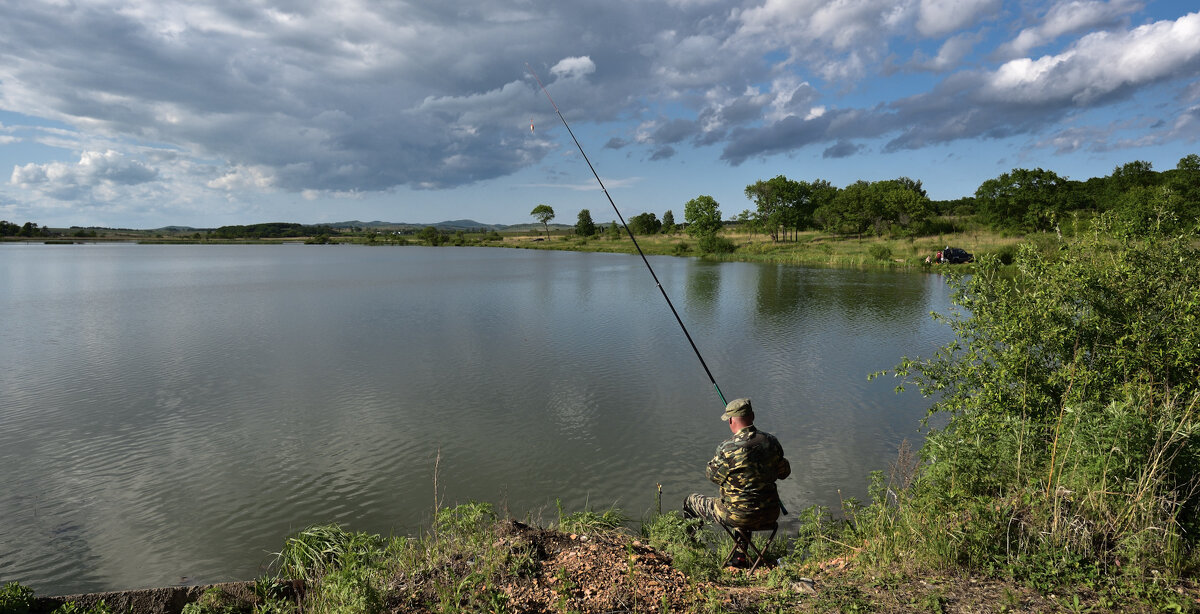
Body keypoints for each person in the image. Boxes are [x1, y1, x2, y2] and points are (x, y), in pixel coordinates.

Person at [684, 398, 791, 531]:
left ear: (730, 420)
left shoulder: (727, 447)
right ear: (752, 416)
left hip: (739, 516)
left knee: (690, 501)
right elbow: (784, 473)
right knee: (742, 501)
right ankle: (740, 552)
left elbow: (712, 476)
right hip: (770, 514)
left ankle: (691, 546)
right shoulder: (772, 441)